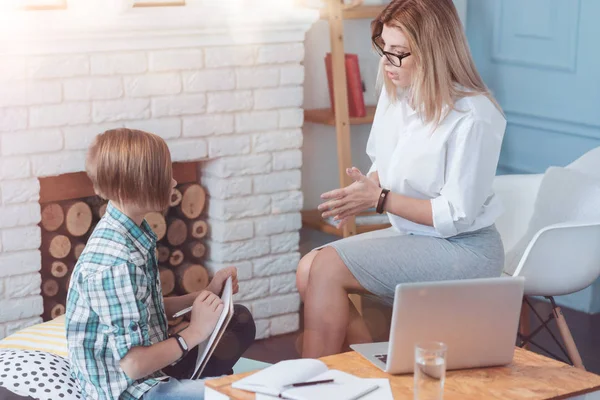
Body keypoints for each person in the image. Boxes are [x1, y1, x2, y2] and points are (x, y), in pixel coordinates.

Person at [296, 0, 507, 358]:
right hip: (414, 236)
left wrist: (378, 199)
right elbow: (386, 167)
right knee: (308, 267)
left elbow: (455, 215)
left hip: (464, 248)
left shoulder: (473, 117)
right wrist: (360, 193)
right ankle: (371, 370)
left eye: (398, 53)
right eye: (383, 48)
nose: (386, 62)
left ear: (433, 52)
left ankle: (308, 384)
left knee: (328, 267)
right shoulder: (399, 97)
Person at [65, 128, 255, 400]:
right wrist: (195, 332)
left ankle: (198, 382)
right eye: (164, 176)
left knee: (240, 320)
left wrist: (206, 294)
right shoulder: (114, 263)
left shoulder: (133, 233)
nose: (174, 182)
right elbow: (134, 365)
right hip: (135, 389)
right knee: (236, 394)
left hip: (157, 367)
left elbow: (148, 305)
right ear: (138, 183)